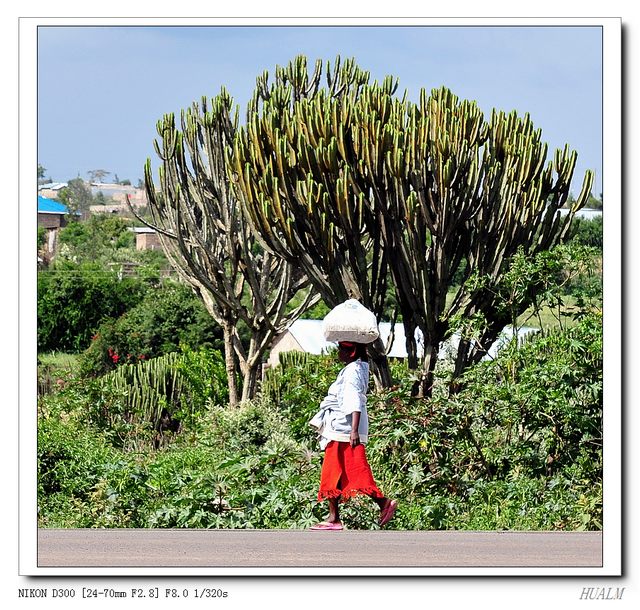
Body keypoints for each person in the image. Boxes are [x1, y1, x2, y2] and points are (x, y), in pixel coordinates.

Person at [309, 340, 397, 530]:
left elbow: (353, 399)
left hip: (344, 429)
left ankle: (338, 517)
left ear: (351, 352)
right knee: (345, 471)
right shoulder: (358, 367)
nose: (338, 352)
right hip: (343, 428)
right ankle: (338, 516)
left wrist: (354, 430)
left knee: (337, 471)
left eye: (341, 348)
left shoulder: (353, 371)